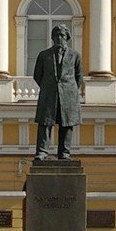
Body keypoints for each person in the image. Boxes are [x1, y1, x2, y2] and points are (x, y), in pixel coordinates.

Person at [33, 24, 83, 161]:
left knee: (66, 125)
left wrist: (69, 89)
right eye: (56, 35)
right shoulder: (44, 55)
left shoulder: (75, 56)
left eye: (62, 35)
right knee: (45, 124)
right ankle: (42, 152)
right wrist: (48, 87)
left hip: (68, 96)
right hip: (48, 95)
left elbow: (79, 77)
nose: (59, 38)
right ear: (52, 38)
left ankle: (64, 153)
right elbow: (37, 75)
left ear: (67, 37)